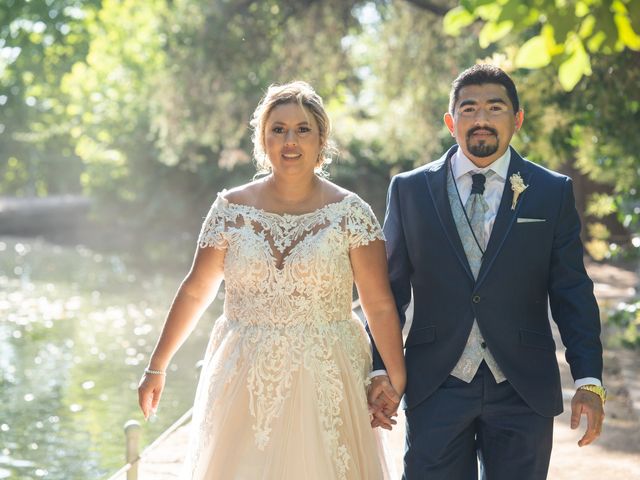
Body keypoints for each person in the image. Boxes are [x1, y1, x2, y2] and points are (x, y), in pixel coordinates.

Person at [138, 80, 405, 480]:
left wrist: (393, 380)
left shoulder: (352, 213)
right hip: (243, 374)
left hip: (327, 371)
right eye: (277, 129)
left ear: (321, 139)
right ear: (263, 140)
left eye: (302, 129)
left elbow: (379, 304)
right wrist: (157, 366)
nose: (290, 140)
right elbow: (196, 290)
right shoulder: (230, 209)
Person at [367, 64, 606, 479]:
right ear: (450, 120)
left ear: (517, 119)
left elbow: (572, 291)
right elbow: (387, 292)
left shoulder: (552, 191)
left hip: (522, 386)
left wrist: (588, 378)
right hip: (435, 382)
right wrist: (379, 370)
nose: (480, 120)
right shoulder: (409, 190)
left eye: (494, 108)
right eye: (468, 108)